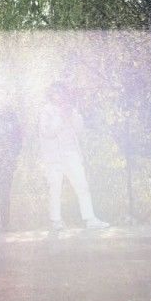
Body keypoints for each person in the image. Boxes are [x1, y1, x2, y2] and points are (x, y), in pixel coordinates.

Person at [39, 82, 109, 231]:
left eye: (61, 91)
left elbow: (79, 129)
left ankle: (90, 219)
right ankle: (56, 221)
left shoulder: (71, 109)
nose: (59, 95)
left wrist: (72, 114)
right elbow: (48, 133)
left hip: (71, 154)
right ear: (51, 94)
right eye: (55, 92)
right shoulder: (46, 111)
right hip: (53, 158)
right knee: (55, 189)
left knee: (82, 185)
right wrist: (60, 117)